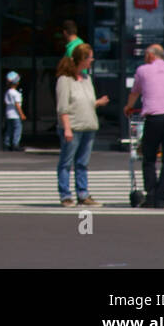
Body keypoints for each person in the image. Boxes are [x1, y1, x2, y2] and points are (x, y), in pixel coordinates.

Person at [124, 44, 164, 209]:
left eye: (146, 55)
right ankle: (162, 197)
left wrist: (128, 107)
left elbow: (135, 93)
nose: (145, 58)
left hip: (154, 118)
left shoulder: (142, 70)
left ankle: (152, 195)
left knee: (149, 157)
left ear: (151, 56)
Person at [55, 43, 108, 207]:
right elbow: (62, 107)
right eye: (90, 57)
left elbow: (87, 102)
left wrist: (98, 103)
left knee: (82, 163)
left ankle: (83, 194)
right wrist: (67, 128)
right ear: (82, 59)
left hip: (88, 126)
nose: (92, 60)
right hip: (74, 127)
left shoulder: (86, 79)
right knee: (66, 162)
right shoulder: (65, 80)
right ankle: (65, 196)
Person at [4, 70, 26, 151]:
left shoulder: (8, 92)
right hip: (15, 115)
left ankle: (7, 143)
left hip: (9, 114)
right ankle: (15, 143)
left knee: (9, 129)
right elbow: (17, 105)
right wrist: (22, 114)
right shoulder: (16, 93)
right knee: (18, 129)